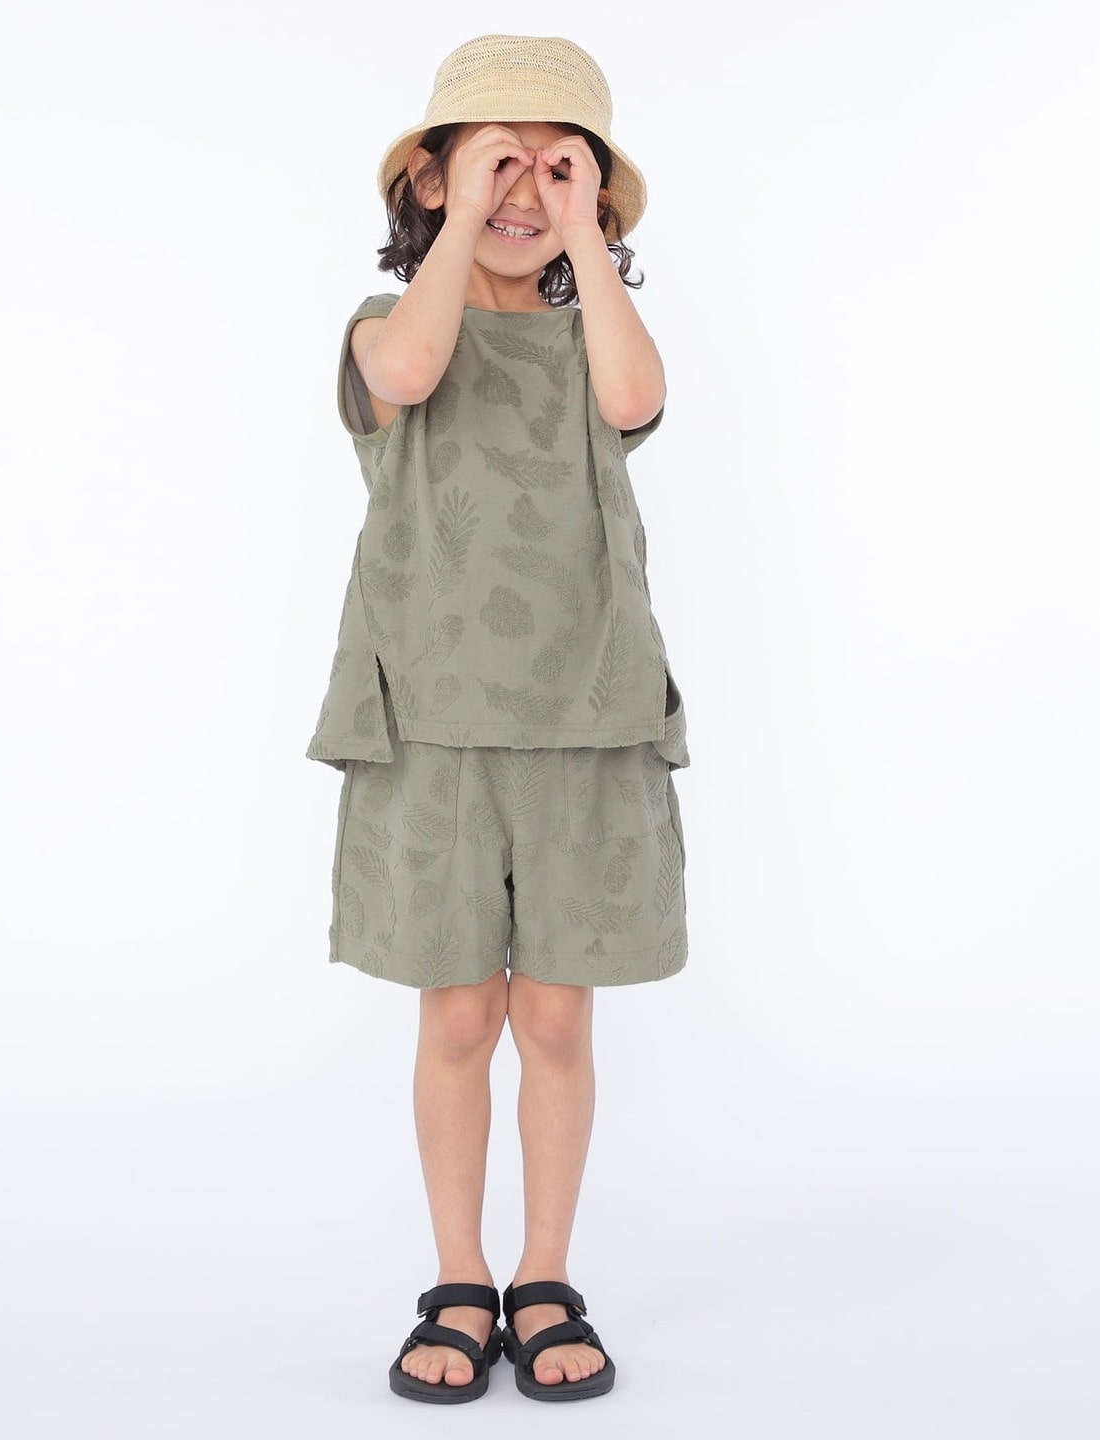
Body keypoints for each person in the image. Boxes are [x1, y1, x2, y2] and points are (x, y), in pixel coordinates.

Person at [306, 34, 690, 1403]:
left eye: (557, 169)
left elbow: (637, 400)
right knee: (461, 1015)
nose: (525, 192)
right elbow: (411, 375)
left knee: (560, 1023)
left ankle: (544, 1274)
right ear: (428, 180)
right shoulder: (382, 325)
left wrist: (584, 239)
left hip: (586, 714)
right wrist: (466, 220)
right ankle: (460, 1275)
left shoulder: (598, 336)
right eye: (494, 164)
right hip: (432, 721)